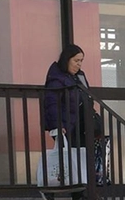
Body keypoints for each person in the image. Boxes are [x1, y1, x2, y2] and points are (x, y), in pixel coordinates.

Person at [41, 45, 107, 185]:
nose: (79, 64)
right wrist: (57, 124)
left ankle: (81, 191)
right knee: (70, 160)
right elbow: (51, 104)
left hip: (82, 125)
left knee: (81, 159)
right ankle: (67, 190)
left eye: (81, 61)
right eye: (76, 60)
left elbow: (86, 97)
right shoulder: (56, 78)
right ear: (67, 60)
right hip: (67, 125)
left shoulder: (79, 76)